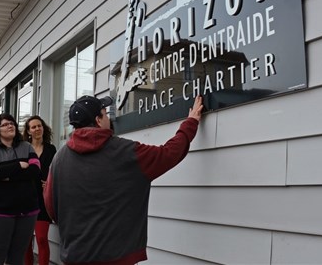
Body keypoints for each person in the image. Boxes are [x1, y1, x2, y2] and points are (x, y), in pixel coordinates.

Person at [44, 95, 204, 264]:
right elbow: (168, 154)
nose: (108, 117)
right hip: (117, 258)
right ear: (98, 120)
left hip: (75, 257)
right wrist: (190, 122)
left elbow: (51, 207)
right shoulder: (126, 152)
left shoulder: (59, 159)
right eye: (105, 114)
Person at [0, 114, 41, 265]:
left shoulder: (26, 147)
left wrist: (7, 176)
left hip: (28, 209)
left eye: (12, 123)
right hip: (1, 210)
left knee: (17, 255)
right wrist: (18, 166)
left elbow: (35, 171)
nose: (10, 126)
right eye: (5, 124)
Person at [23, 116, 56, 265]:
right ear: (29, 131)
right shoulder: (24, 149)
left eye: (39, 126)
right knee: (26, 242)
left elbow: (55, 171)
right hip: (26, 198)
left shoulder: (51, 149)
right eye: (34, 127)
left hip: (43, 199)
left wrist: (50, 182)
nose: (37, 129)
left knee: (42, 238)